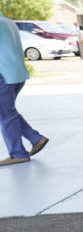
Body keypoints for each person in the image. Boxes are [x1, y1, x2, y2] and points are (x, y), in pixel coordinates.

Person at [0, 11, 48, 165]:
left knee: (6, 114)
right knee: (8, 112)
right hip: (16, 74)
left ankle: (18, 153)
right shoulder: (8, 22)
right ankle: (36, 138)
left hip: (3, 74)